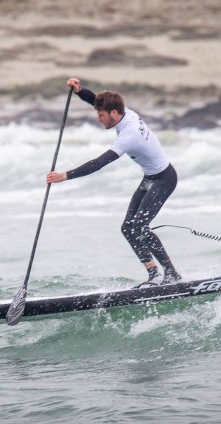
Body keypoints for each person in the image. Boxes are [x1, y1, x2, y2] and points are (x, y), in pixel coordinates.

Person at [46, 77, 181, 287]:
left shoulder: (129, 134)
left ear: (114, 114)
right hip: (150, 178)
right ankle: (154, 275)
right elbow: (96, 101)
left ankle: (172, 274)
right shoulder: (123, 113)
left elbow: (100, 163)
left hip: (164, 179)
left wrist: (65, 175)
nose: (99, 119)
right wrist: (80, 91)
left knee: (141, 227)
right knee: (129, 228)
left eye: (101, 115)